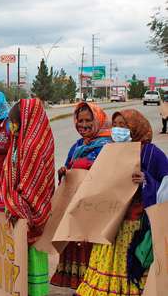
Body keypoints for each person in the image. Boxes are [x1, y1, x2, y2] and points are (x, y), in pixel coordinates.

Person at [76, 109, 168, 296]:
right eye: (115, 125)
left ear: (135, 127)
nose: (117, 129)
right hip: (111, 223)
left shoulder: (152, 153)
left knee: (131, 269)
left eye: (123, 125)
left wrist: (147, 180)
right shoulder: (110, 150)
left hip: (136, 225)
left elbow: (166, 187)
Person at [51, 102, 112, 290]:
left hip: (95, 211)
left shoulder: (109, 146)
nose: (83, 125)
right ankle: (78, 286)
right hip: (74, 208)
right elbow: (70, 167)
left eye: (88, 120)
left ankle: (91, 287)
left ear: (99, 120)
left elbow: (112, 177)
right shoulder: (77, 146)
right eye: (80, 120)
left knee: (89, 248)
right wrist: (64, 171)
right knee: (75, 247)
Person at [0, 99, 55, 296]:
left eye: (13, 121)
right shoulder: (19, 140)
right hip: (20, 209)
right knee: (24, 258)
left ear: (24, 119)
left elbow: (34, 184)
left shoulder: (32, 145)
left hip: (31, 211)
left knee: (33, 257)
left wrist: (17, 207)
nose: (10, 125)